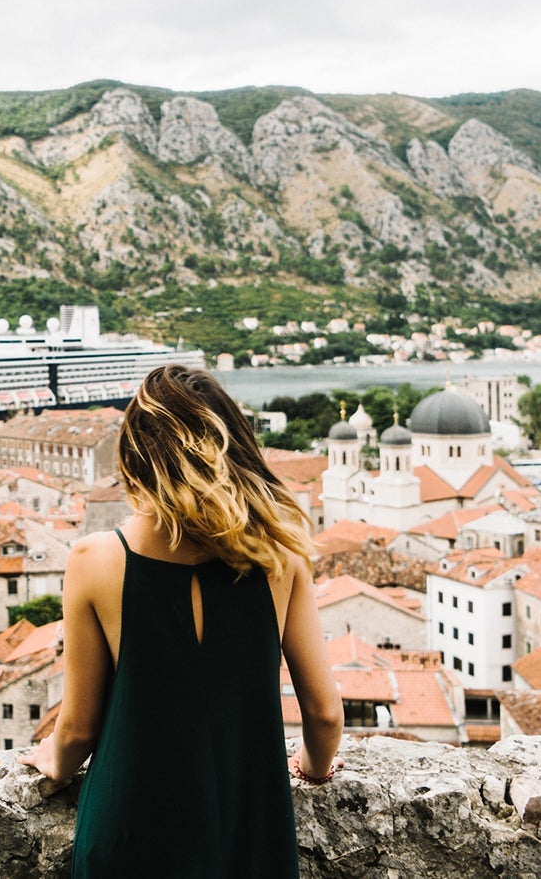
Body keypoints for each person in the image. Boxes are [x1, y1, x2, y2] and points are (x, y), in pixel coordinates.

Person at [21, 365, 344, 878]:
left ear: (136, 457)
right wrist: (313, 767)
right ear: (236, 449)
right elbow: (325, 714)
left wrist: (53, 762)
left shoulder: (95, 559)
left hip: (129, 834)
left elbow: (78, 728)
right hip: (248, 831)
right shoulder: (281, 559)